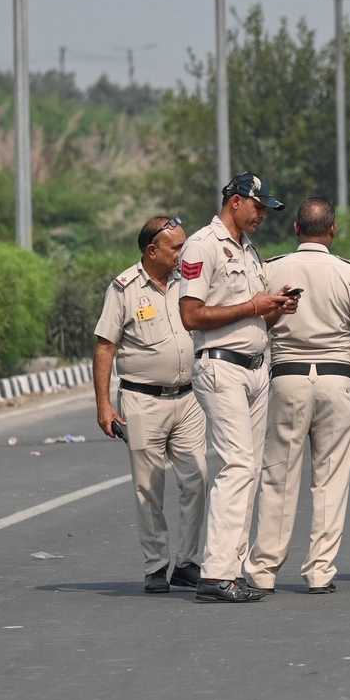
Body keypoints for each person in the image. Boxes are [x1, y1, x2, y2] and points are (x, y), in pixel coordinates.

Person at [245, 199, 350, 596]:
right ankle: (320, 571)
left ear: (295, 229)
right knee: (330, 479)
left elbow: (256, 320)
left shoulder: (271, 269)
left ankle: (263, 570)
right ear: (333, 230)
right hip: (336, 381)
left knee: (278, 477)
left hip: (286, 378)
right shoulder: (349, 273)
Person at [179, 172, 297, 603]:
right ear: (235, 202)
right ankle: (214, 573)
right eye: (258, 205)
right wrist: (253, 305)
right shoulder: (202, 245)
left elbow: (253, 318)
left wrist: (276, 308)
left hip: (253, 368)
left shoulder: (248, 251)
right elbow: (191, 315)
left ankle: (230, 569)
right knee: (237, 466)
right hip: (220, 368)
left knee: (248, 470)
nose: (263, 213)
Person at [93, 216, 209, 594]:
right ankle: (156, 566)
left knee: (197, 480)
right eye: (175, 247)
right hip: (141, 401)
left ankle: (188, 563)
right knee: (149, 487)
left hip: (188, 398)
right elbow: (105, 346)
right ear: (151, 250)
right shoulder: (124, 289)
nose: (182, 253)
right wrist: (104, 406)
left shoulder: (187, 283)